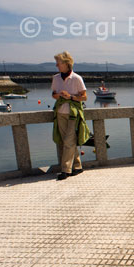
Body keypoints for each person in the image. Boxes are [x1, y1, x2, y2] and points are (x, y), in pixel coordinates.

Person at [51, 51, 90, 180]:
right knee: (67, 141)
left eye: (59, 63)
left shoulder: (77, 78)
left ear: (66, 64)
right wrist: (59, 95)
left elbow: (84, 97)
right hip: (60, 112)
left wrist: (71, 97)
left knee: (68, 141)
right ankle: (78, 166)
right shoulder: (56, 78)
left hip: (73, 113)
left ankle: (65, 170)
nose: (57, 65)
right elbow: (53, 95)